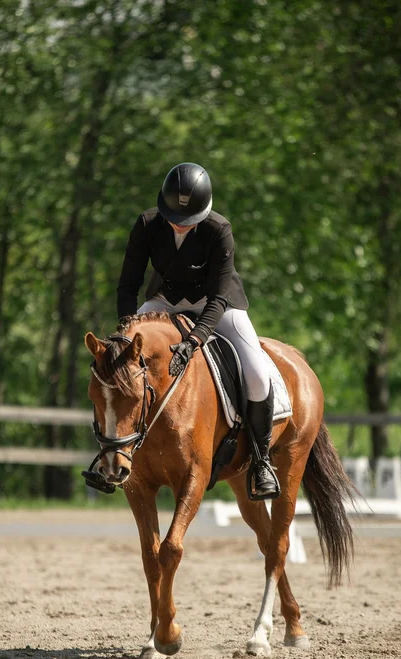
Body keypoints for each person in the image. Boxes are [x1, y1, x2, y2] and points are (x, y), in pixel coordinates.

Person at [116, 162, 279, 500]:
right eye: (173, 218)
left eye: (186, 221)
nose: (178, 225)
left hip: (218, 307)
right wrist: (125, 330)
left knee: (257, 374)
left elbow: (218, 297)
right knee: (119, 364)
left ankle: (262, 461)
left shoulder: (218, 229)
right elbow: (128, 283)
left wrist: (194, 341)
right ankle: (112, 450)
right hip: (166, 301)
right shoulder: (147, 224)